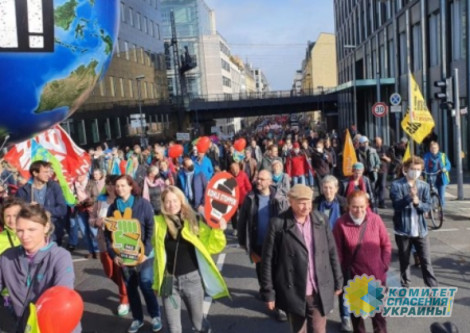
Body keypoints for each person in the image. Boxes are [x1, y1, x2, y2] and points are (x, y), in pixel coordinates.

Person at [261, 184, 343, 333]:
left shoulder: (321, 220)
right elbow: (267, 261)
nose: (306, 206)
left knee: (318, 330)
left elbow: (332, 252)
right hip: (294, 291)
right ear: (290, 201)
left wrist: (338, 279)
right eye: (301, 202)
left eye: (309, 202)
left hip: (318, 291)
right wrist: (268, 292)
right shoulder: (278, 224)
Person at [152, 186, 229, 333]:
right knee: (173, 327)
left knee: (198, 324)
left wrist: (218, 230)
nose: (171, 205)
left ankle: (205, 328)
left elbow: (212, 247)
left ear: (181, 201)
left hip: (192, 280)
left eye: (175, 201)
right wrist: (156, 283)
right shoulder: (158, 223)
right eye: (167, 201)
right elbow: (157, 258)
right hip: (169, 281)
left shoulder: (194, 220)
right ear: (163, 203)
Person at [0, 203, 78, 332]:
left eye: (31, 230)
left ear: (46, 227)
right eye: (20, 230)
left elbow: (62, 297)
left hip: (56, 326)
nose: (24, 236)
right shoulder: (7, 257)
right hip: (24, 326)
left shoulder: (60, 257)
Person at [105, 175, 162, 333]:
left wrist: (146, 251)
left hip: (144, 255)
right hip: (124, 257)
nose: (119, 188)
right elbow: (107, 234)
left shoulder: (143, 204)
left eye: (123, 185)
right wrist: (113, 254)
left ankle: (155, 315)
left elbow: (151, 229)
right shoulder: (113, 208)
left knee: (145, 283)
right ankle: (137, 319)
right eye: (117, 186)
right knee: (131, 287)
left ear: (131, 187)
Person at [333, 190, 391, 333]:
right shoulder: (341, 223)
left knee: (378, 318)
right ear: (348, 206)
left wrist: (383, 265)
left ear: (367, 205)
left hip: (375, 276)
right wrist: (339, 274)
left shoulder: (375, 220)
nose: (358, 210)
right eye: (354, 207)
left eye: (361, 207)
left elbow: (386, 245)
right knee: (358, 319)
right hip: (354, 278)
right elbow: (336, 251)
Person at [238, 170, 288, 321]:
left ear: (270, 182)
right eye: (257, 178)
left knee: (276, 274)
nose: (258, 181)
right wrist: (243, 241)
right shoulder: (250, 197)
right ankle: (265, 291)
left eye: (262, 179)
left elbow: (286, 220)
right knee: (261, 270)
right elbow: (242, 220)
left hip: (275, 243)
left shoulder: (279, 198)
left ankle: (280, 307)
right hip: (257, 242)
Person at [390, 156, 438, 288]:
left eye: (418, 169)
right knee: (405, 262)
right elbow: (396, 205)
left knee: (426, 261)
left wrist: (418, 203)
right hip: (403, 231)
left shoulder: (424, 186)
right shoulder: (396, 185)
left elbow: (428, 206)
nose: (415, 172)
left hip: (421, 231)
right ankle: (405, 288)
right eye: (412, 169)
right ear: (405, 169)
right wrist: (408, 197)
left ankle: (433, 289)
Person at [89, 175, 129, 317]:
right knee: (109, 272)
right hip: (104, 242)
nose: (111, 187)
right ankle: (127, 289)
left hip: (120, 243)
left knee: (121, 272)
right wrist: (97, 222)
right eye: (109, 184)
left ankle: (124, 299)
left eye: (114, 184)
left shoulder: (123, 202)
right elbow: (91, 219)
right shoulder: (100, 202)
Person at [16, 160, 67, 246]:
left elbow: (62, 209)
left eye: (49, 171)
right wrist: (28, 208)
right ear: (35, 173)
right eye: (45, 172)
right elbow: (17, 212)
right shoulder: (23, 191)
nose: (49, 174)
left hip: (52, 232)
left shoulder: (54, 187)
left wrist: (41, 208)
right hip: (32, 233)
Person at [423, 141, 451, 207]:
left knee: (441, 196)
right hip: (430, 177)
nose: (434, 149)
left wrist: (445, 168)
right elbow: (423, 164)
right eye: (432, 148)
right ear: (430, 149)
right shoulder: (426, 156)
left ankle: (441, 212)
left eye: (435, 148)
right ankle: (432, 209)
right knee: (432, 194)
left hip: (441, 177)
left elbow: (448, 165)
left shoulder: (443, 156)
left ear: (438, 148)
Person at [229, 162, 252, 236]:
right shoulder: (228, 175)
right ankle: (235, 228)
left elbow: (248, 186)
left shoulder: (243, 174)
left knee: (243, 215)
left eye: (236, 170)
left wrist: (249, 195)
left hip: (243, 198)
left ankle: (243, 228)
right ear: (231, 170)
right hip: (233, 199)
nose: (235, 172)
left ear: (239, 169)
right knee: (233, 215)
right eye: (233, 170)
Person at [374, 137, 393, 208]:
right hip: (375, 170)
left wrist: (385, 158)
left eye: (379, 142)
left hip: (383, 170)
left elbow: (390, 160)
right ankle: (373, 201)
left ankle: (381, 203)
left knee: (382, 185)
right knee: (374, 186)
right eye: (377, 142)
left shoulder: (385, 148)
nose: (378, 144)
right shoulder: (372, 149)